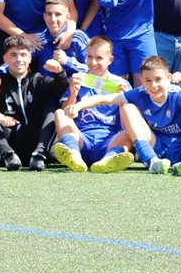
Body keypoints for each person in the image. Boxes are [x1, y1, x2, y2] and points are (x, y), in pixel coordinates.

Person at [69, 56, 181, 176]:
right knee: (128, 107)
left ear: (168, 78)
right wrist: (78, 106)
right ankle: (151, 161)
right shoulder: (140, 93)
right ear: (142, 81)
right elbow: (104, 99)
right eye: (148, 80)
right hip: (156, 147)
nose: (153, 86)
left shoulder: (178, 94)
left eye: (158, 79)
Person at [0, 35, 69, 171]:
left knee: (52, 110)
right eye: (13, 55)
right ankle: (8, 156)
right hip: (9, 140)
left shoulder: (37, 80)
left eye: (23, 55)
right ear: (5, 58)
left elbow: (59, 87)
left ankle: (39, 156)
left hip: (35, 141)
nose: (19, 59)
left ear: (29, 58)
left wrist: (59, 73)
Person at [51, 36, 133, 173]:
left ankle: (108, 160)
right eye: (89, 57)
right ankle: (74, 156)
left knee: (131, 125)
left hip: (110, 141)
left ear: (110, 60)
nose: (93, 62)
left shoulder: (121, 84)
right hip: (82, 140)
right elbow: (67, 114)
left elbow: (127, 124)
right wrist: (72, 93)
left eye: (99, 58)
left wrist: (123, 101)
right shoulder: (77, 79)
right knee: (60, 114)